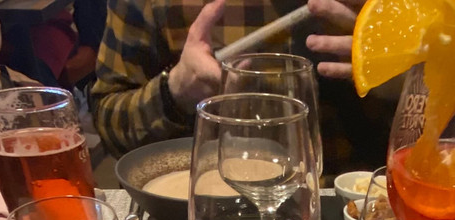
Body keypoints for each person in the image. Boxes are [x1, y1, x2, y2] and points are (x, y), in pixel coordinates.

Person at [90, 0, 397, 177]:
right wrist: (175, 92)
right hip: (214, 211)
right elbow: (111, 129)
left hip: (372, 207)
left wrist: (409, 82)